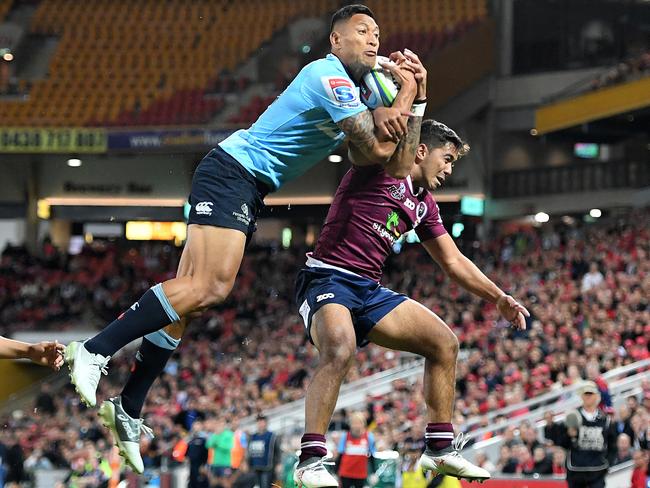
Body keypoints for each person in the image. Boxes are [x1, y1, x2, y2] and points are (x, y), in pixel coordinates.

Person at [64, 3, 422, 474]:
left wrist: (410, 102)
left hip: (247, 183)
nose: (374, 39)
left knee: (188, 300)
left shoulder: (355, 90)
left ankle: (129, 406)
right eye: (362, 31)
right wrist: (407, 91)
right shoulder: (327, 74)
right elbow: (373, 141)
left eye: (377, 32)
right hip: (234, 171)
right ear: (336, 41)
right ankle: (91, 351)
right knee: (210, 288)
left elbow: (385, 162)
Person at [292, 119, 529, 487]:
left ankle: (438, 448)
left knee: (444, 343)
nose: (449, 170)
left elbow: (452, 261)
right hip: (328, 277)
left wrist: (498, 297)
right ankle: (310, 460)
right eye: (446, 159)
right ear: (420, 150)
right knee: (340, 348)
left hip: (368, 290)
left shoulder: (425, 206)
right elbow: (379, 137)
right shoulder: (380, 169)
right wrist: (415, 90)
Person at [555, 381, 618, 488]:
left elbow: (613, 445)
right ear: (582, 396)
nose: (588, 396)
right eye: (586, 394)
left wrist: (608, 463)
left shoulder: (606, 420)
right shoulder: (572, 416)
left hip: (597, 469)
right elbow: (561, 443)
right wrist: (569, 435)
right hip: (576, 470)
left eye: (591, 394)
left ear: (597, 396)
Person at [336, 412, 376, 488]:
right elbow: (340, 456)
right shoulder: (345, 436)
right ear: (350, 424)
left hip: (360, 474)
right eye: (354, 423)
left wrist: (373, 473)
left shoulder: (369, 437)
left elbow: (372, 456)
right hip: (345, 473)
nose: (356, 425)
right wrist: (335, 472)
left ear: (363, 424)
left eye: (359, 423)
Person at [248, 415, 281, 488]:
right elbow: (249, 451)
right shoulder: (253, 436)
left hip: (267, 467)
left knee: (265, 486)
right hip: (255, 467)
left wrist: (278, 463)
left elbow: (277, 450)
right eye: (259, 422)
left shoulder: (271, 436)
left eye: (262, 422)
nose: (260, 424)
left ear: (266, 423)